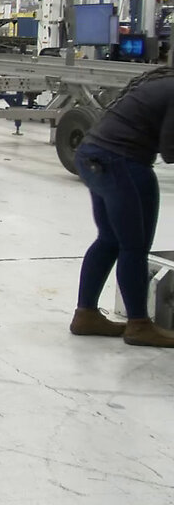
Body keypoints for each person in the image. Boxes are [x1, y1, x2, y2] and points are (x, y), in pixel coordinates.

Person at [71, 66, 174, 347]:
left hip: (94, 154)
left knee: (109, 240)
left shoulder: (160, 78)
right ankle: (139, 325)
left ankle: (86, 314)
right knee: (134, 245)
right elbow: (170, 149)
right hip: (121, 161)